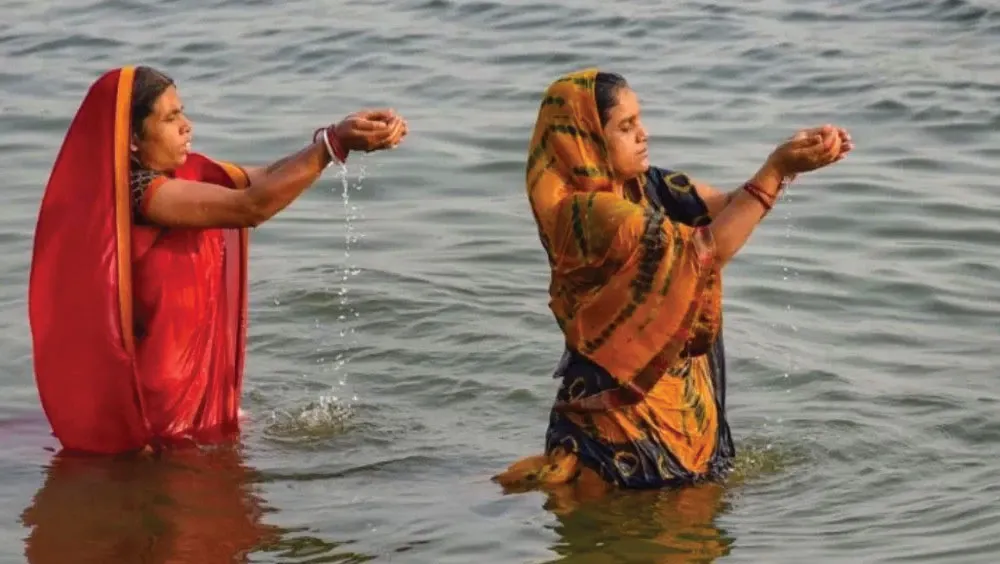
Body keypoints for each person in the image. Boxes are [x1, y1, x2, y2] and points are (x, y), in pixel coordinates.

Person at [492, 68, 852, 493]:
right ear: (586, 139)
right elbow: (707, 251)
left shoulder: (647, 186)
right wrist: (774, 170)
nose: (643, 134)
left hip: (674, 408)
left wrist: (794, 161)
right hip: (619, 423)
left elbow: (728, 207)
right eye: (626, 127)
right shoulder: (589, 213)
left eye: (639, 121)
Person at [28, 65, 408, 455]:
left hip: (184, 392)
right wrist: (331, 146)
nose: (186, 126)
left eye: (182, 112)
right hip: (160, 406)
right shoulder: (142, 195)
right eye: (170, 117)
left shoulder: (183, 178)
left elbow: (262, 178)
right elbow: (250, 207)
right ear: (131, 140)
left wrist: (333, 136)